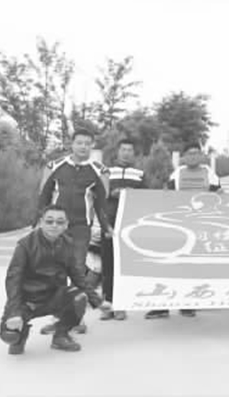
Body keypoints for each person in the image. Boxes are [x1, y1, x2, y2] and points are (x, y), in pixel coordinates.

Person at [0, 205, 110, 355]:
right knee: (9, 335)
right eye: (49, 221)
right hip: (27, 300)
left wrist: (98, 301)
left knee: (79, 297)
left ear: (66, 225)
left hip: (53, 297)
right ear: (41, 222)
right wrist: (14, 312)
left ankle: (61, 335)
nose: (54, 225)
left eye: (59, 222)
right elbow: (13, 279)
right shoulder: (25, 245)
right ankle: (20, 335)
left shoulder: (68, 244)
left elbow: (77, 277)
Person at [36, 128, 111, 335]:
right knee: (56, 271)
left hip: (80, 228)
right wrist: (39, 222)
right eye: (79, 142)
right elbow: (43, 196)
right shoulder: (54, 165)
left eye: (87, 143)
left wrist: (106, 227)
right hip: (56, 228)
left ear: (92, 145)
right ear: (72, 143)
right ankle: (58, 317)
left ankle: (77, 318)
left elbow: (101, 203)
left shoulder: (100, 170)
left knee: (77, 271)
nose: (83, 147)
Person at [145, 142, 220, 320]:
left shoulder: (209, 173)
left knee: (193, 268)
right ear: (184, 157)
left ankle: (188, 304)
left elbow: (217, 198)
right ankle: (162, 306)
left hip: (201, 228)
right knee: (170, 266)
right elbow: (168, 197)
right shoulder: (177, 174)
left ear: (201, 155)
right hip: (179, 227)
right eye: (189, 153)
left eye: (196, 153)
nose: (193, 156)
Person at [101, 138, 147, 322]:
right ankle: (108, 305)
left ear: (134, 153)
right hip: (110, 224)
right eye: (123, 149)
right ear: (117, 151)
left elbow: (146, 198)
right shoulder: (106, 171)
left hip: (129, 225)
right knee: (108, 265)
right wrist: (113, 193)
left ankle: (121, 305)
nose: (126, 153)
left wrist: (131, 193)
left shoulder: (140, 174)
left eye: (130, 150)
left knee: (124, 266)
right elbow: (98, 195)